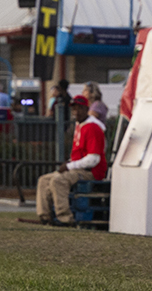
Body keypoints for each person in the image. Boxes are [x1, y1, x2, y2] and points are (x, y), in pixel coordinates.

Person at [33, 96, 105, 226]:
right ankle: (45, 216)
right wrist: (70, 164)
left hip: (90, 171)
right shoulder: (79, 126)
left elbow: (94, 159)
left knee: (58, 180)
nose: (76, 111)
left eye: (79, 108)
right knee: (44, 180)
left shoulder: (92, 128)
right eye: (74, 108)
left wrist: (70, 166)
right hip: (78, 168)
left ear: (86, 109)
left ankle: (65, 218)